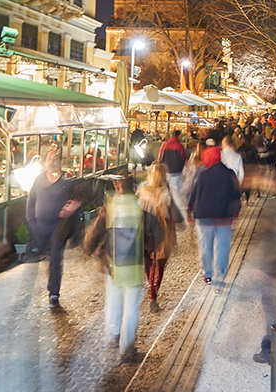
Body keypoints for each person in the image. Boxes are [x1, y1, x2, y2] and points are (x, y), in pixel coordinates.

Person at [84, 176, 145, 359]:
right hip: (134, 266)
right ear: (133, 188)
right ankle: (126, 348)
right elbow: (151, 235)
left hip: (113, 265)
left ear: (116, 185)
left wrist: (90, 248)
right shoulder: (141, 207)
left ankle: (112, 337)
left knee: (113, 301)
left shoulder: (108, 208)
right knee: (131, 307)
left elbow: (95, 234)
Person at [24, 150, 81, 307]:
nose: (52, 161)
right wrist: (31, 221)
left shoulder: (67, 180)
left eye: (55, 159)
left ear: (61, 161)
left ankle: (53, 292)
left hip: (58, 227)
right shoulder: (39, 179)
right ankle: (29, 295)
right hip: (39, 227)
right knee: (37, 257)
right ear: (45, 162)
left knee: (55, 258)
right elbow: (31, 201)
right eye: (49, 158)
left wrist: (76, 205)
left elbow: (82, 194)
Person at [187, 146, 241, 293]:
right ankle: (220, 279)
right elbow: (236, 195)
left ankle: (207, 274)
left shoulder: (202, 174)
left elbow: (194, 194)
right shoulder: (230, 174)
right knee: (222, 248)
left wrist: (189, 210)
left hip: (204, 218)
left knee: (205, 246)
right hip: (224, 217)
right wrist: (235, 214)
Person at [137, 163, 182, 313]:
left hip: (144, 230)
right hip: (163, 231)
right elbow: (170, 213)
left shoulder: (142, 190)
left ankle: (150, 287)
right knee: (160, 265)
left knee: (148, 262)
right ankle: (153, 296)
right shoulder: (165, 193)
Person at [158, 130, 187, 213]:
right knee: (177, 193)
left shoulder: (164, 145)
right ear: (178, 136)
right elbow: (184, 158)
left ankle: (165, 209)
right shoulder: (179, 146)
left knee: (166, 190)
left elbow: (160, 158)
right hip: (177, 172)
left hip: (166, 172)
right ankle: (179, 212)